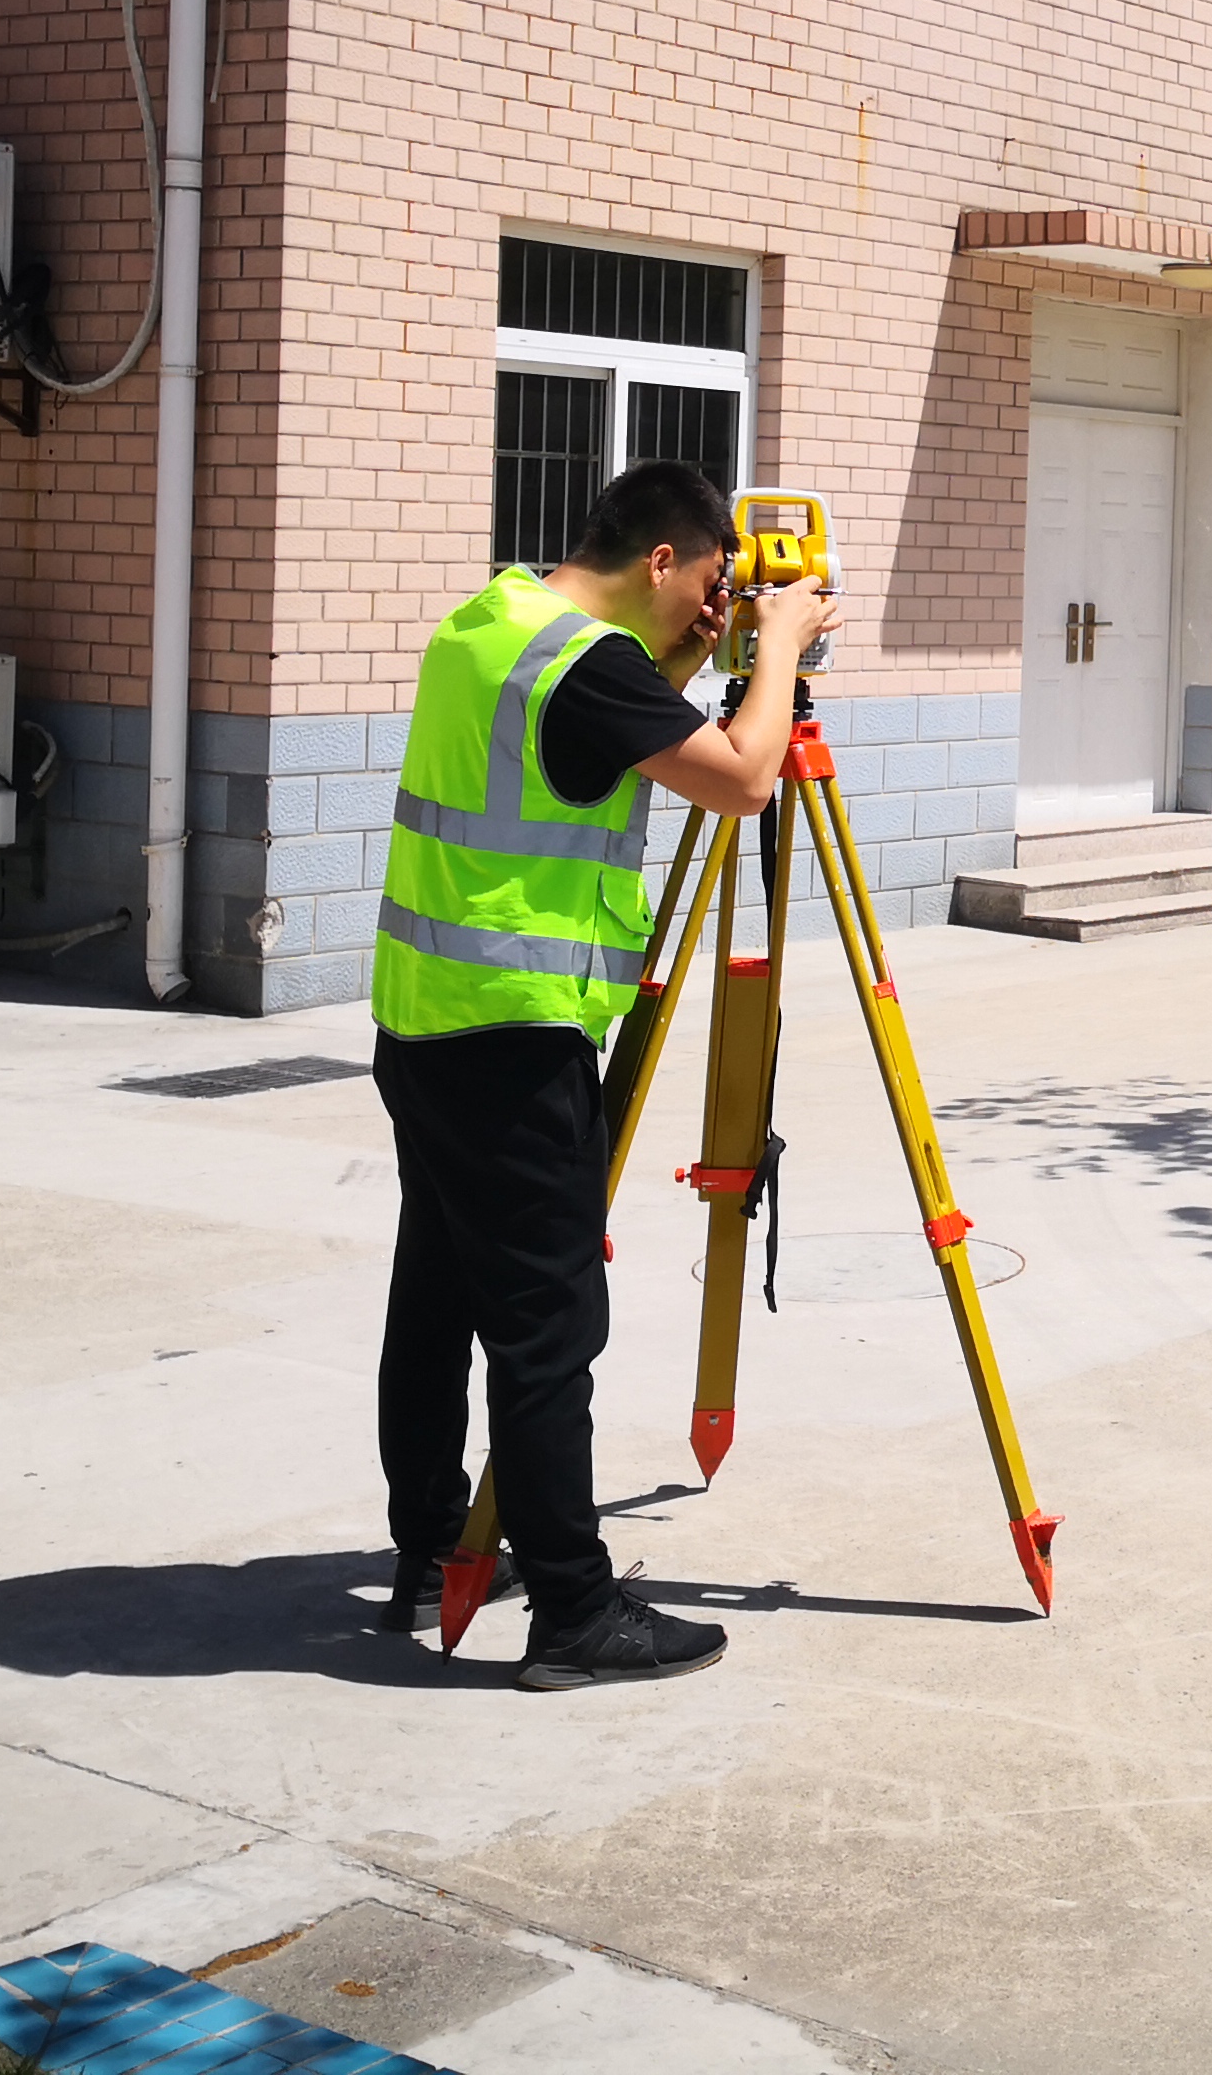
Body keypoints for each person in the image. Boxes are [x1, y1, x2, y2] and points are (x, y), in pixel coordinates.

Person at [370, 459, 836, 1691]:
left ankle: (429, 1545)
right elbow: (739, 780)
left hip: (425, 1025)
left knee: (436, 1300)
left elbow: (612, 726)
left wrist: (708, 659)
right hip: (515, 1043)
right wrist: (779, 645)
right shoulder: (587, 667)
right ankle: (575, 1615)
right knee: (545, 1327)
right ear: (665, 561)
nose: (713, 610)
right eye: (710, 587)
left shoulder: (497, 623)